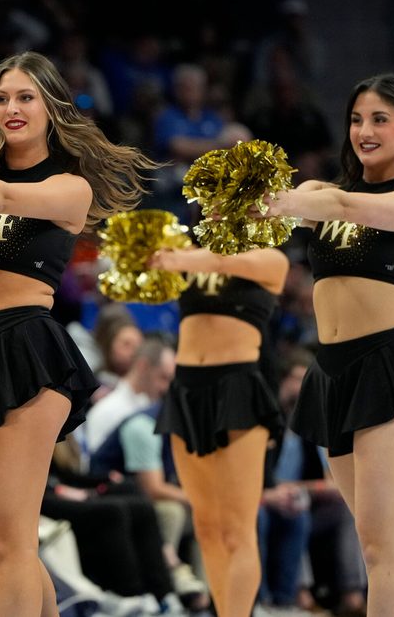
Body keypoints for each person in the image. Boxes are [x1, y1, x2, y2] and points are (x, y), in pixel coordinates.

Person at [0, 50, 158, 614]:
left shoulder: (68, 187)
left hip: (25, 348)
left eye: (26, 97)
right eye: (1, 98)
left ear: (52, 108)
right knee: (0, 548)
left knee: (11, 540)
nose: (11, 108)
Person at [260, 73, 394, 616]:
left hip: (387, 368)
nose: (364, 131)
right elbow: (297, 202)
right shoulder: (325, 193)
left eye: (379, 119)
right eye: (355, 119)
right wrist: (257, 204)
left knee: (380, 546)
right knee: (392, 539)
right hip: (332, 373)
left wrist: (303, 201)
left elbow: (344, 208)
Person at [146, 246, 289, 617]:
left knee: (237, 531)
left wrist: (182, 258)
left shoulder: (271, 260)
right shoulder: (191, 255)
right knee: (207, 527)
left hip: (237, 389)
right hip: (186, 391)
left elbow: (223, 263)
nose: (215, 206)